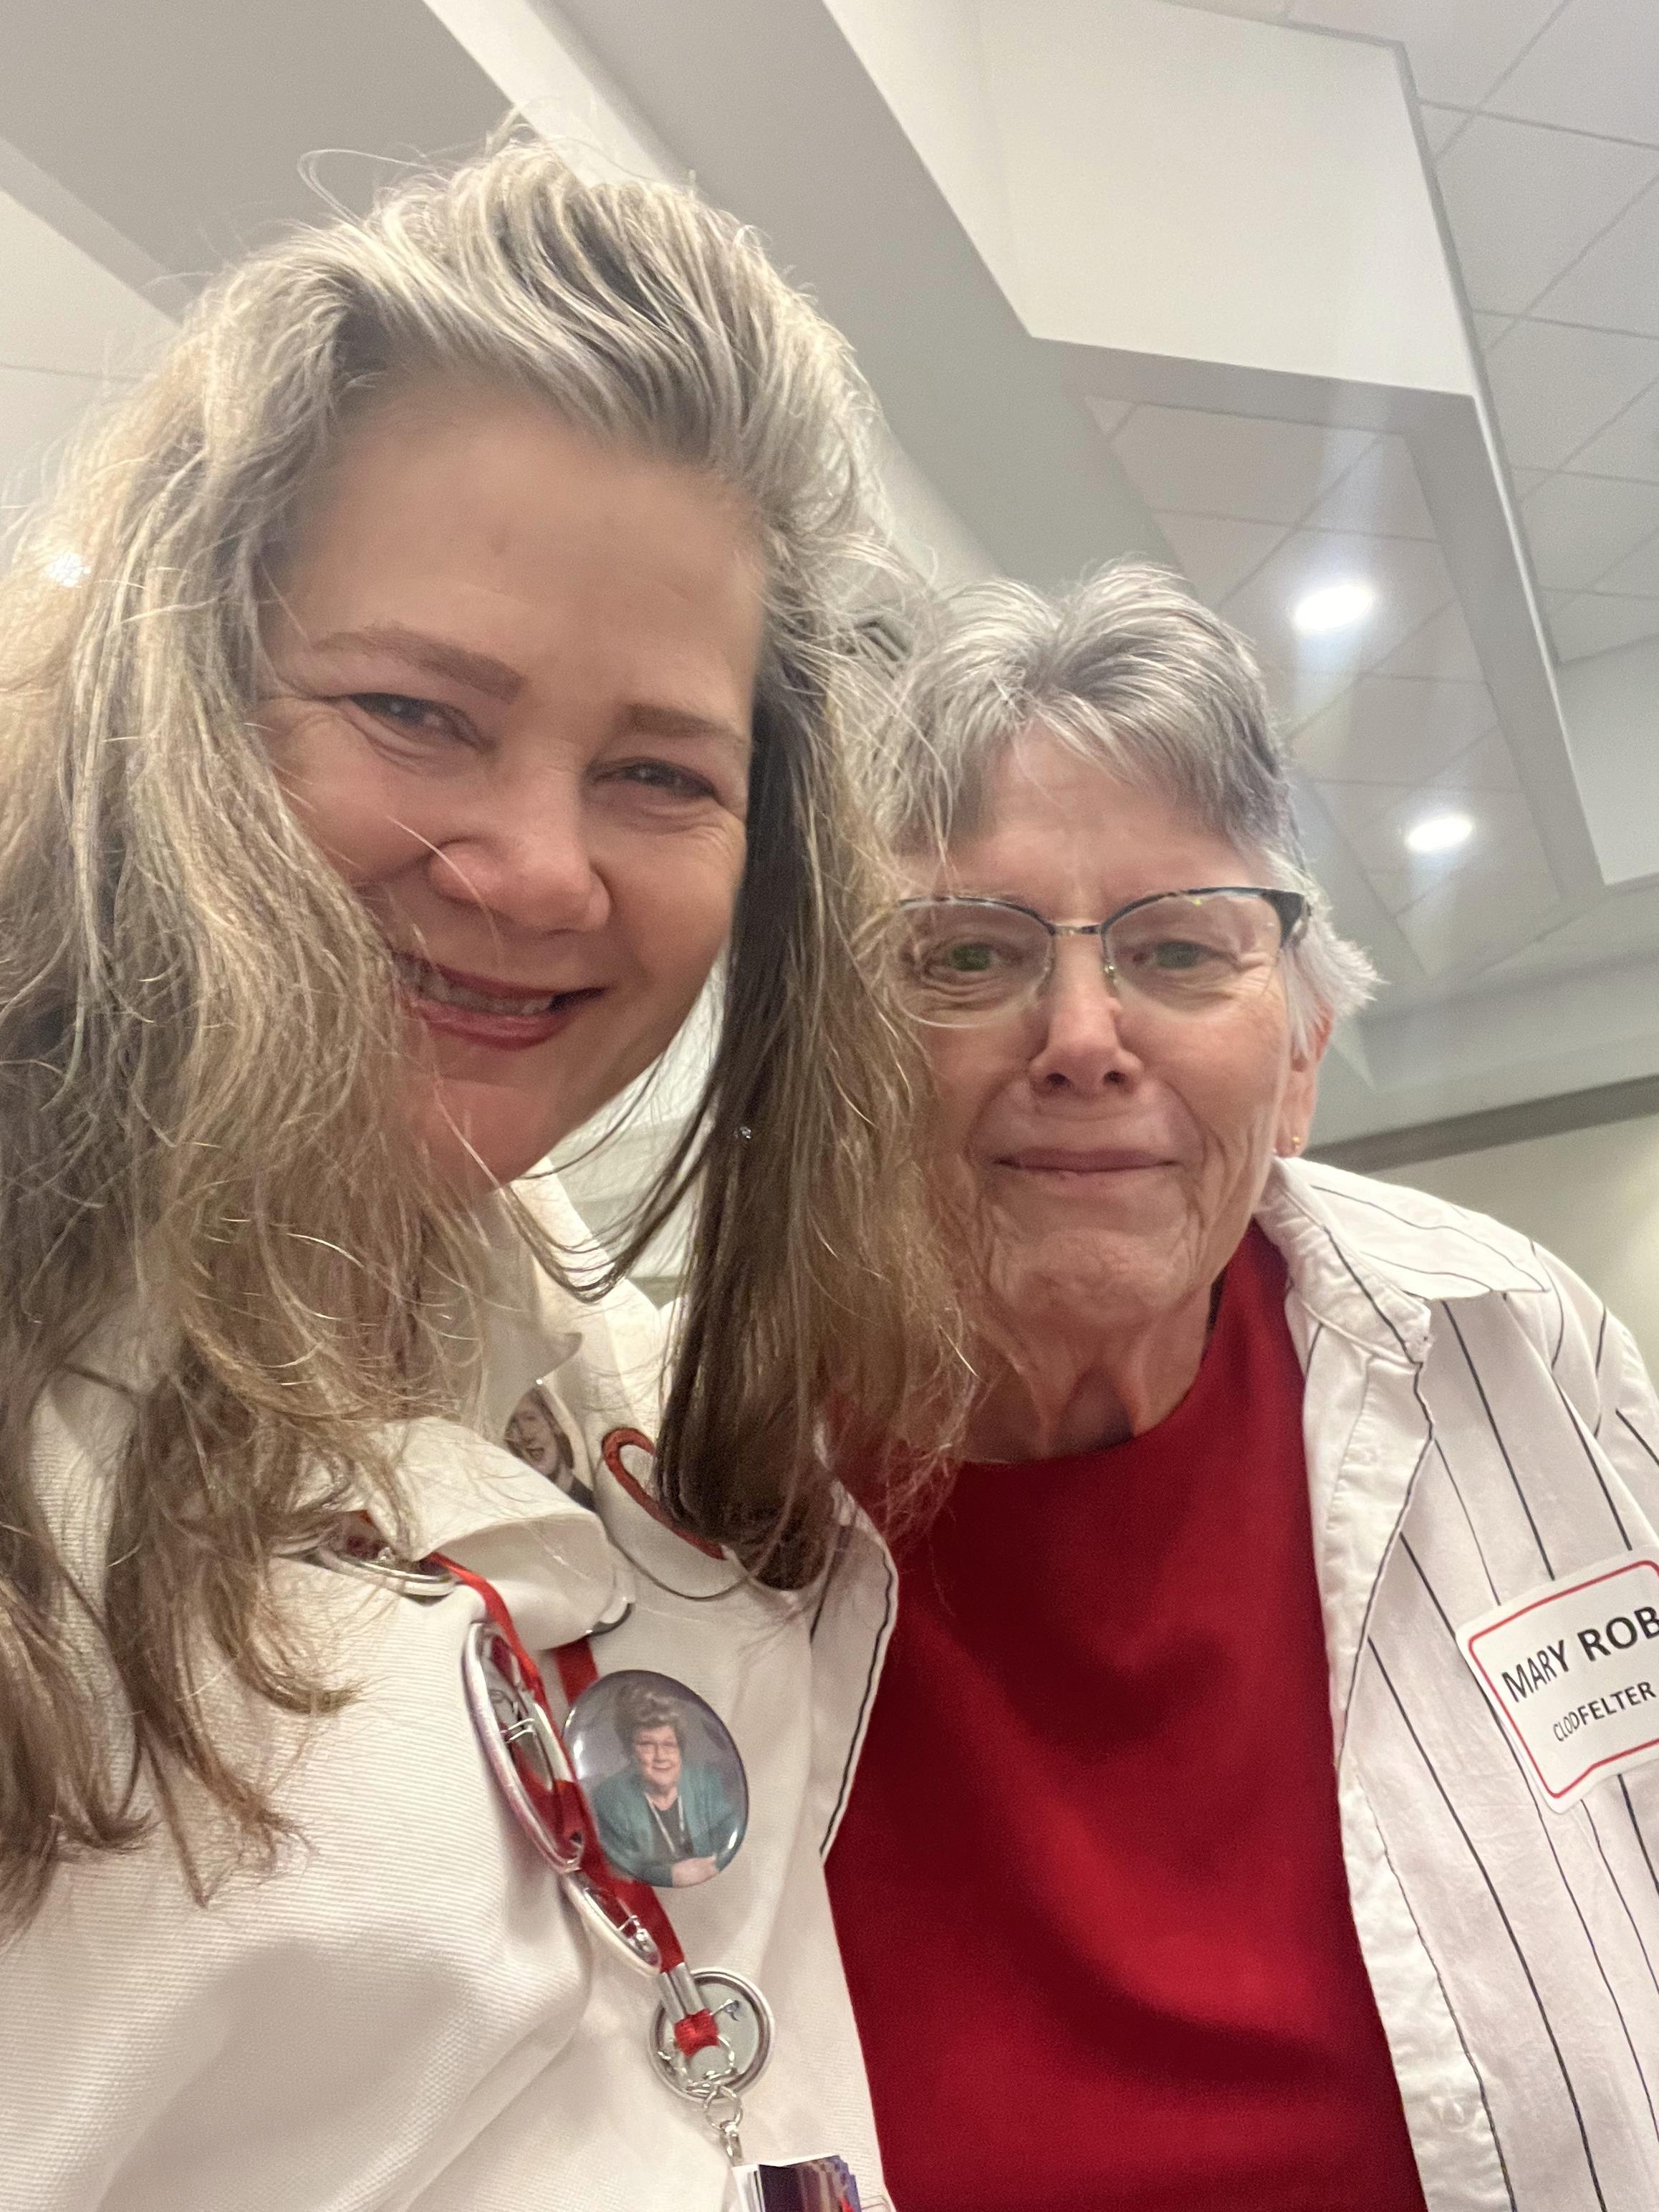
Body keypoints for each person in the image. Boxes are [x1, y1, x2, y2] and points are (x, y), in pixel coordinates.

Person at [0, 140, 954, 2210]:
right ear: (179, 703)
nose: (538, 868)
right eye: (418, 713)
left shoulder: (615, 1386)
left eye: (657, 774)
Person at [824, 563, 1659, 2211]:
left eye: (1178, 950)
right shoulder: (666, 1493)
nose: (1079, 1033)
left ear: (1296, 1060)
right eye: (966, 956)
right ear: (841, 1060)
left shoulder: (1507, 1345)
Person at [592, 1686, 740, 1888]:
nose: (661, 1756)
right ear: (630, 1751)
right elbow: (625, 1867)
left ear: (680, 1748)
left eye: (669, 1745)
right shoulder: (611, 1797)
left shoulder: (705, 1781)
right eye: (647, 1744)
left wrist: (712, 1867)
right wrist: (668, 1876)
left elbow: (729, 1834)